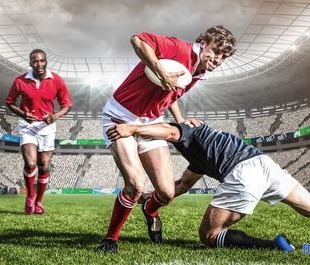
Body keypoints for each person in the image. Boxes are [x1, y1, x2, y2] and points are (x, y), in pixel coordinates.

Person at [106, 121, 310, 250]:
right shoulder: (201, 154)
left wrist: (133, 128)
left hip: (243, 173)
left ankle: (273, 246)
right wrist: (153, 195)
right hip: (265, 165)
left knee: (209, 235)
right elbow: (182, 184)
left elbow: (170, 131)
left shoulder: (187, 132)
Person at [98, 26, 237, 253]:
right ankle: (111, 238)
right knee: (135, 185)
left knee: (166, 193)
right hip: (119, 117)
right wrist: (160, 71)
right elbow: (138, 39)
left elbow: (172, 94)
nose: (218, 59)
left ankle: (150, 211)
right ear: (204, 42)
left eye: (223, 56)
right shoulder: (179, 48)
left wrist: (181, 120)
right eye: (215, 51)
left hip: (150, 122)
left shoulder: (198, 72)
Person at [5, 49, 72, 215]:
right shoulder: (20, 81)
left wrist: (55, 116)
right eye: (35, 61)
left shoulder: (56, 80)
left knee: (43, 166)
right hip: (27, 126)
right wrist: (23, 114)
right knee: (30, 163)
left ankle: (39, 201)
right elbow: (10, 102)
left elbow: (67, 105)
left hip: (47, 127)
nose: (39, 64)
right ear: (30, 63)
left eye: (42, 61)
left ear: (46, 61)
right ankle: (30, 196)